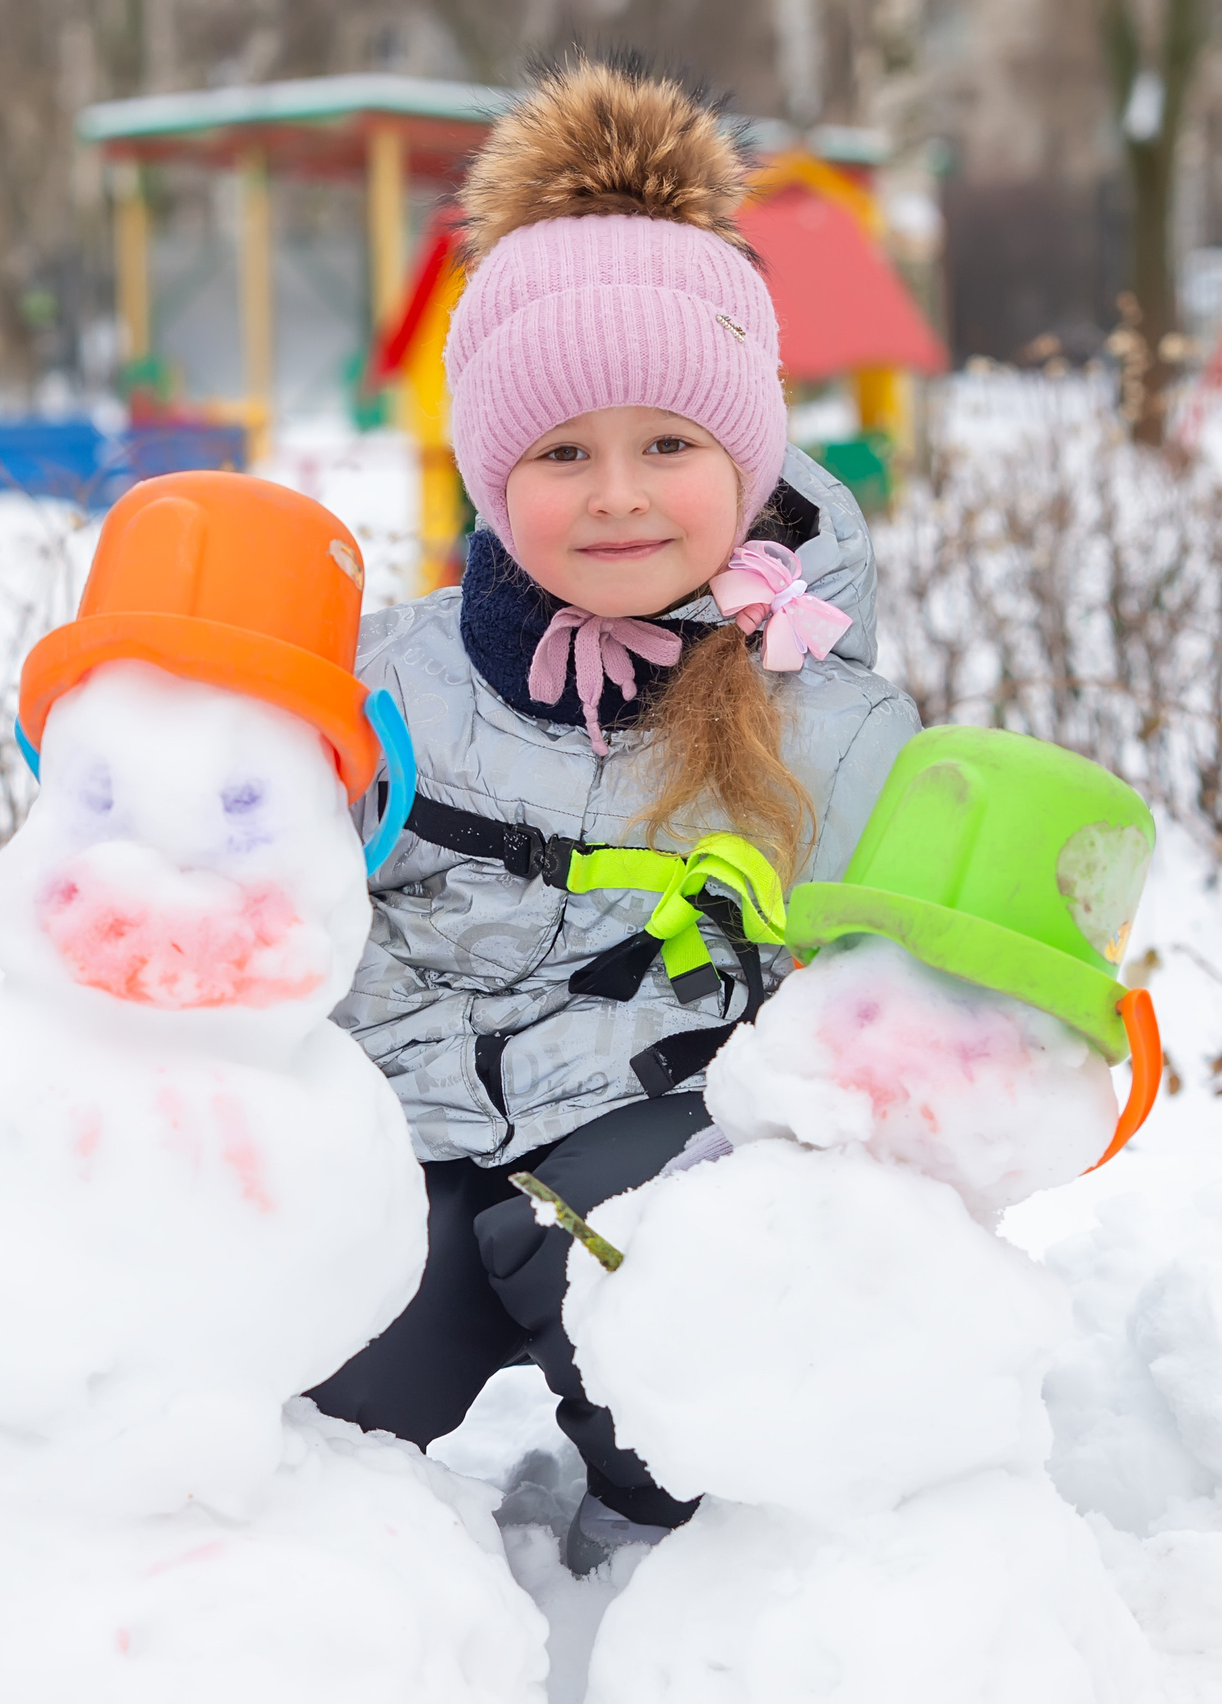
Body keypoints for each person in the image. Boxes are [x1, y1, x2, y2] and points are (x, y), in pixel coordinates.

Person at [307, 60, 921, 1573]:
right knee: (324, 1406)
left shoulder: (828, 722)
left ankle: (669, 1558)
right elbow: (302, 930)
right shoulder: (388, 679)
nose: (619, 496)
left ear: (752, 454)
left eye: (671, 447)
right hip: (420, 1146)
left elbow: (861, 1028)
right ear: (488, 470)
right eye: (561, 452)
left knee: (644, 1335)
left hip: (654, 1170)